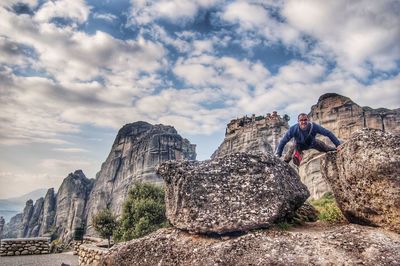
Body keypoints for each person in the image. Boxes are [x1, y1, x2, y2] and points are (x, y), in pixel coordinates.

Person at [275, 113, 342, 166]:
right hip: (298, 145)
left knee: (327, 148)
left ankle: (336, 150)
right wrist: (278, 154)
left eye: (305, 120)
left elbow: (328, 133)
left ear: (308, 120)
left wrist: (338, 144)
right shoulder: (293, 129)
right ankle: (285, 163)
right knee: (291, 150)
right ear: (298, 121)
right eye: (301, 120)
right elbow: (283, 141)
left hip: (312, 143)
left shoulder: (314, 126)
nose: (303, 122)